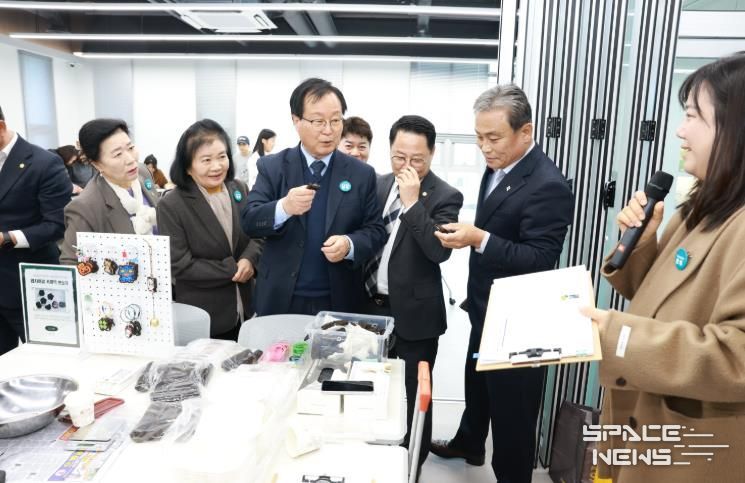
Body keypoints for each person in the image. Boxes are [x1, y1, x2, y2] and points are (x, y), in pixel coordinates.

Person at [582, 53, 745, 483]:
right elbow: (659, 297)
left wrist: (619, 336)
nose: (679, 130)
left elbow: (737, 356)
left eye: (692, 116)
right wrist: (641, 243)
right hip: (643, 424)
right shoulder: (702, 206)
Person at [431, 84, 574, 483]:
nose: (484, 147)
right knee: (477, 382)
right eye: (479, 137)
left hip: (520, 321)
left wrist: (479, 239)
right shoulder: (499, 165)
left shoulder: (548, 185)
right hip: (486, 306)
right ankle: (469, 442)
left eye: (493, 138)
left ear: (525, 132)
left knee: (513, 417)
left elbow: (540, 258)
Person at [362, 115, 463, 471]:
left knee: (415, 395)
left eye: (416, 159)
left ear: (432, 154)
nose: (407, 166)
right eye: (399, 157)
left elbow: (438, 252)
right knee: (369, 387)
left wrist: (411, 204)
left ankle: (412, 462)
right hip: (368, 309)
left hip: (415, 315)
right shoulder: (375, 184)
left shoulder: (446, 196)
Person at [241, 77, 386, 316]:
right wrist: (284, 207)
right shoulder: (273, 167)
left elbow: (375, 230)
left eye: (336, 120)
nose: (329, 130)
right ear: (296, 120)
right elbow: (249, 220)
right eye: (318, 121)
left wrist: (349, 244)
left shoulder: (362, 174)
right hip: (280, 297)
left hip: (338, 299)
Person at [158, 119, 262, 340]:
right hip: (205, 316)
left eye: (222, 157)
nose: (217, 166)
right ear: (187, 166)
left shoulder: (239, 189)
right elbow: (180, 264)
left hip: (246, 309)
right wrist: (233, 268)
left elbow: (257, 234)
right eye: (206, 160)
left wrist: (249, 259)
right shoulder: (172, 204)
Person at [0, 105, 71, 355]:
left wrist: (7, 238)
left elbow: (56, 224)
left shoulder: (44, 163)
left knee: (47, 358)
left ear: (0, 128)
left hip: (30, 286)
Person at [60, 119, 158, 265]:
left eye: (130, 148)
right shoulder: (85, 207)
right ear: (96, 164)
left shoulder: (142, 172)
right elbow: (72, 263)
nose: (130, 159)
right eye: (118, 154)